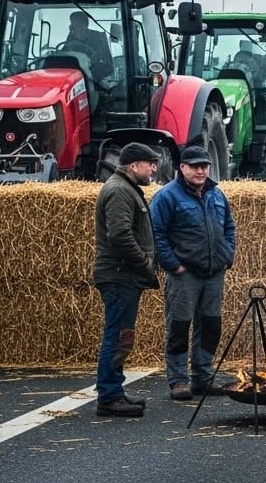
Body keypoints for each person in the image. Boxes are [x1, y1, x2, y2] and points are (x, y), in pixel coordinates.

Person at [150, 145, 236, 401]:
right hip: (184, 274)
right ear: (182, 168)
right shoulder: (167, 196)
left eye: (204, 166)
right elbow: (156, 234)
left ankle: (203, 376)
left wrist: (227, 254)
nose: (201, 171)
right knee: (179, 326)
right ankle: (178, 380)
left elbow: (229, 226)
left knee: (210, 325)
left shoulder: (216, 195)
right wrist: (174, 265)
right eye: (195, 166)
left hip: (213, 272)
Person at [92, 142, 162, 418]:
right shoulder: (120, 190)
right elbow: (119, 236)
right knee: (118, 336)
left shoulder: (125, 188)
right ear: (134, 166)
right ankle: (109, 396)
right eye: (149, 164)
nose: (153, 168)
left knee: (121, 335)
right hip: (120, 275)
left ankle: (114, 391)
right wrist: (144, 263)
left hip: (123, 275)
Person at [63, 11, 116, 85]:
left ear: (85, 24)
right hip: (74, 74)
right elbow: (65, 54)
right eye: (73, 24)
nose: (73, 26)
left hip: (94, 74)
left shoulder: (97, 37)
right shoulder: (71, 37)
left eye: (78, 24)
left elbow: (102, 60)